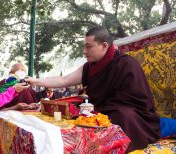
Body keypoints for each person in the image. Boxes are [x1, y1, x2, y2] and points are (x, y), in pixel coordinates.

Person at [26, 26, 160, 152]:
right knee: (75, 110)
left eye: (89, 47)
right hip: (100, 110)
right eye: (84, 46)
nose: (84, 51)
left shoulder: (127, 64)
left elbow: (137, 102)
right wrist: (35, 81)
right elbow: (63, 80)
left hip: (131, 113)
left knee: (120, 116)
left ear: (104, 46)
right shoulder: (89, 67)